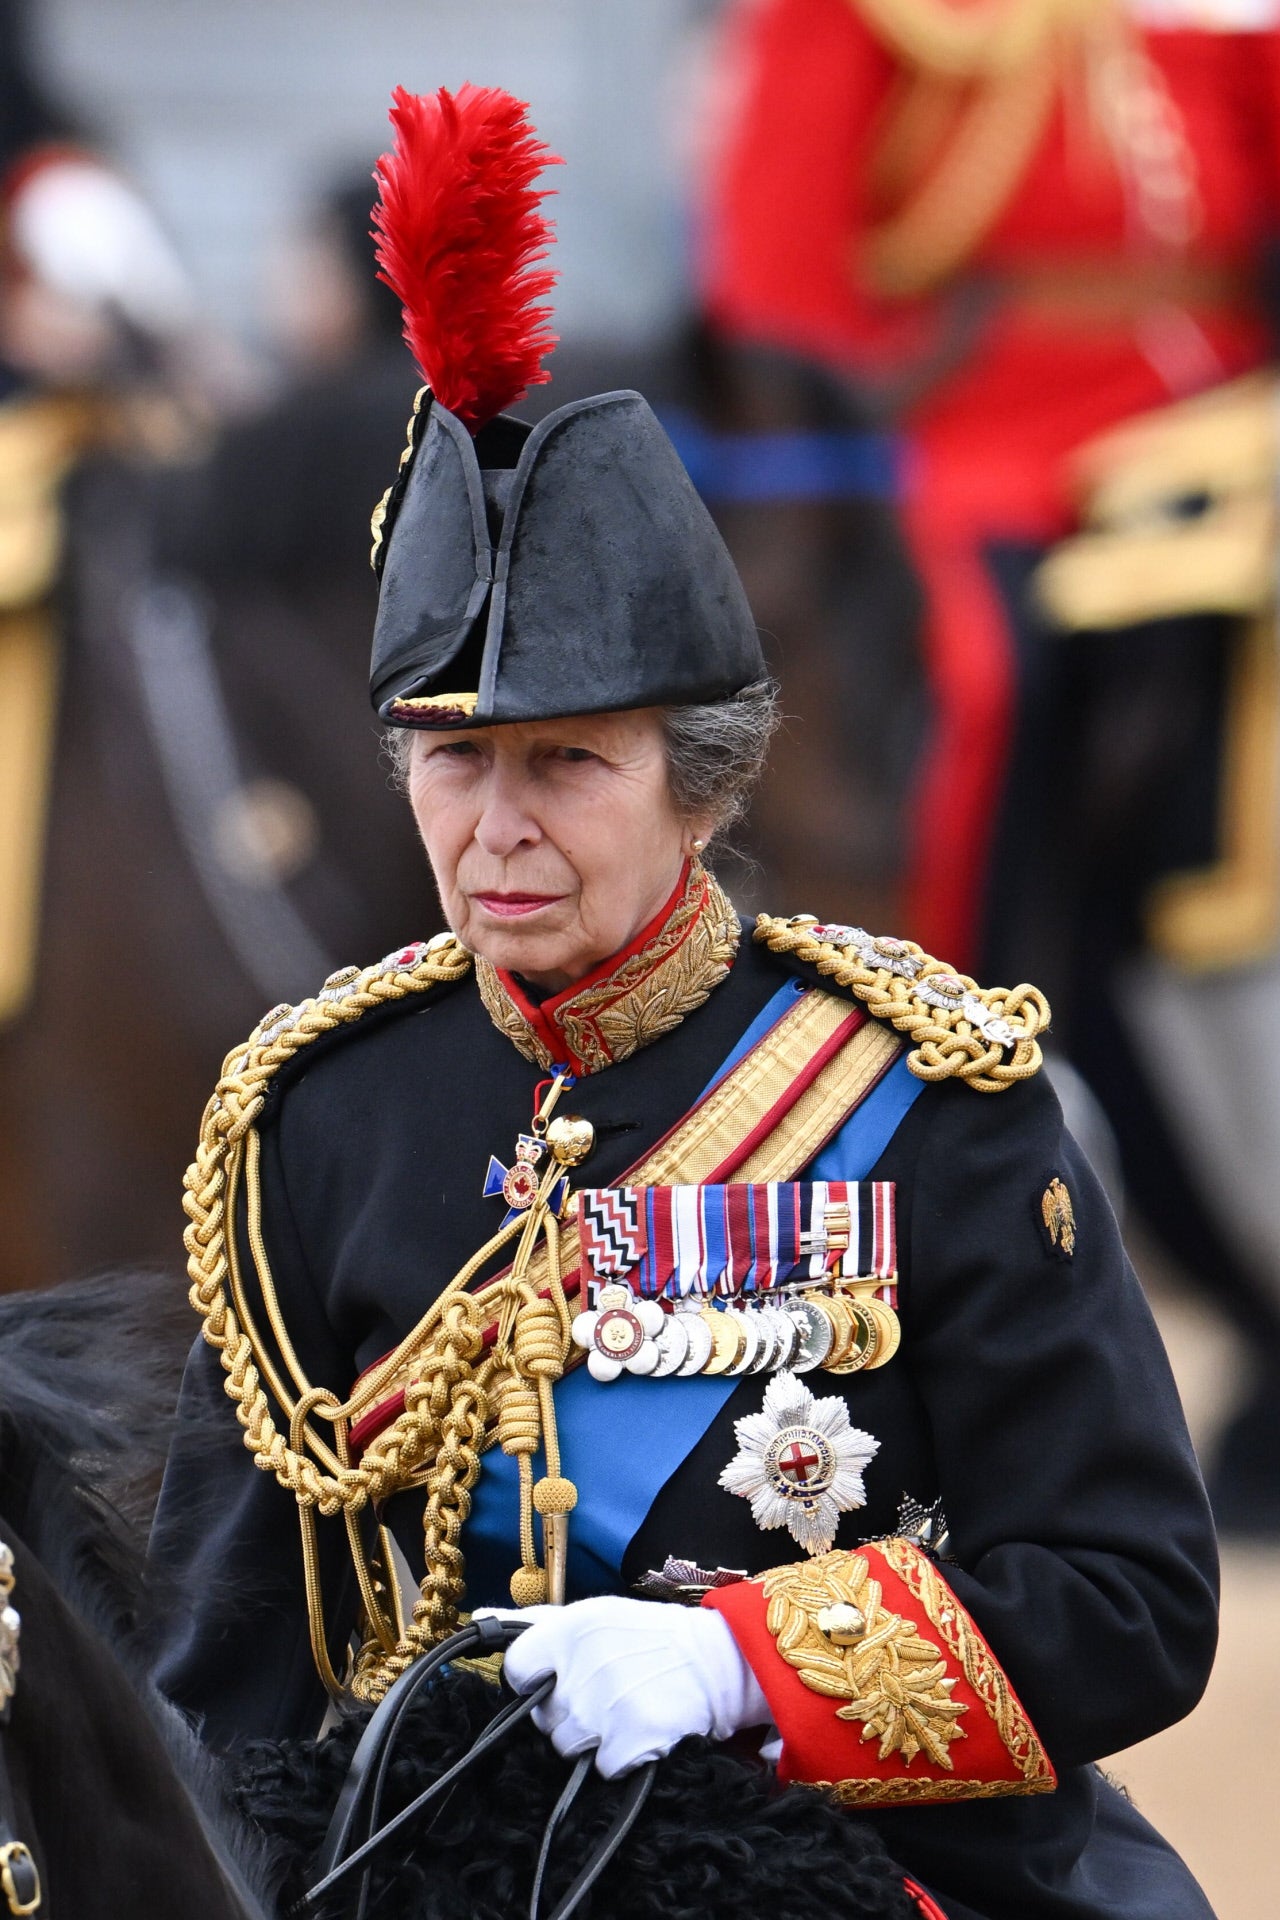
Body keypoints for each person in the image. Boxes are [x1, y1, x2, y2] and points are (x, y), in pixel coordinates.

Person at [152, 84, 1217, 1920]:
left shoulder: (927, 1098)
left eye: (566, 763)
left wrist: (746, 1665)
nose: (496, 830)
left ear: (704, 785)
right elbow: (223, 1677)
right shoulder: (316, 1115)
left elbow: (1131, 1602)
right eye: (450, 760)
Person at [698, 0, 1280, 1534]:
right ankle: (930, 1059)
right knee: (966, 677)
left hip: (1221, 411)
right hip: (980, 439)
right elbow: (782, 290)